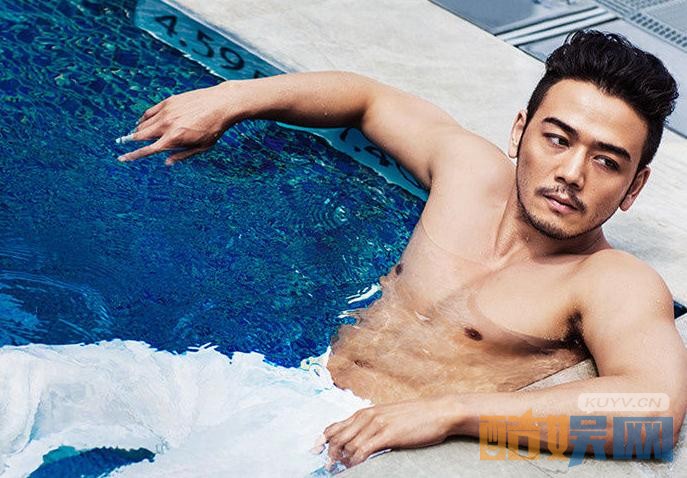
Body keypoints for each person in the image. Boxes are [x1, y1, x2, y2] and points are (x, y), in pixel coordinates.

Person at [118, 30, 686, 469]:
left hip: (331, 442)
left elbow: (655, 412)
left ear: (634, 187)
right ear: (520, 132)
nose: (571, 173)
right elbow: (369, 100)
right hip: (272, 382)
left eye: (606, 161)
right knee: (63, 383)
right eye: (557, 139)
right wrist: (231, 97)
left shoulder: (610, 280)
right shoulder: (468, 172)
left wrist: (453, 413)